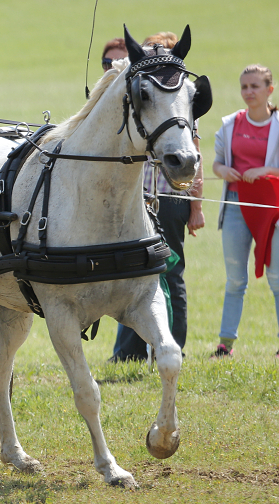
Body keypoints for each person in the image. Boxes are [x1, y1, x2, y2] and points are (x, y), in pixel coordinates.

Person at [109, 32, 206, 362]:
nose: (154, 53)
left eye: (157, 48)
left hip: (168, 197)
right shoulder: (140, 97)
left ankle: (172, 348)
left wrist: (196, 206)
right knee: (131, 276)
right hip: (134, 197)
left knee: (170, 271)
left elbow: (194, 154)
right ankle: (129, 352)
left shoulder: (175, 99)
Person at [212, 64, 279, 358]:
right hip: (236, 208)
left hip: (272, 212)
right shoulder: (230, 125)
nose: (248, 92)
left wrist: (266, 171)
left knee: (277, 278)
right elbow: (215, 163)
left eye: (255, 86)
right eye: (244, 87)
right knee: (235, 279)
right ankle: (225, 344)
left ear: (270, 90)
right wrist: (222, 169)